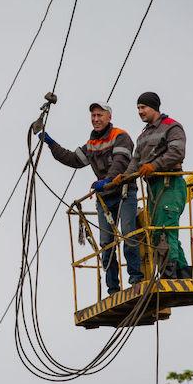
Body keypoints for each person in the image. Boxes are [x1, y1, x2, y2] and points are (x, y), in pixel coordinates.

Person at [38, 102, 144, 294]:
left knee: (128, 233)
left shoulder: (120, 136)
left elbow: (120, 163)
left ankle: (136, 279)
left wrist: (108, 180)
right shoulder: (92, 144)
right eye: (93, 116)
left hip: (124, 192)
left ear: (109, 117)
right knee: (106, 242)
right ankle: (113, 289)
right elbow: (72, 159)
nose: (96, 119)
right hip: (104, 198)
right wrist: (50, 143)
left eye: (99, 115)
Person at [114, 92, 192, 279]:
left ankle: (169, 274)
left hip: (170, 184)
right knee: (158, 229)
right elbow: (136, 160)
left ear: (154, 107)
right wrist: (124, 177)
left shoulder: (172, 127)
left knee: (165, 230)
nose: (140, 111)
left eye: (143, 107)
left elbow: (177, 152)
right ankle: (182, 273)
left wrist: (154, 165)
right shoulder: (143, 135)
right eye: (138, 108)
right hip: (153, 187)